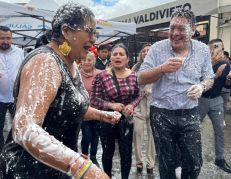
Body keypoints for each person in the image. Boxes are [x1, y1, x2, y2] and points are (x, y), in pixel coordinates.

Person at [0, 3, 121, 179]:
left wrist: (102, 115)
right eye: (89, 31)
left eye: (96, 33)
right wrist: (82, 168)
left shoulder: (71, 62)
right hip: (27, 169)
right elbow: (25, 128)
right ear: (66, 31)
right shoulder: (45, 61)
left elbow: (67, 106)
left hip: (54, 168)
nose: (94, 39)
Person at [138, 8, 214, 179]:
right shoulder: (157, 49)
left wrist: (202, 87)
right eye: (172, 28)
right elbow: (140, 78)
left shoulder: (202, 50)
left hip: (190, 113)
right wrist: (162, 69)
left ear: (193, 30)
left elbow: (209, 77)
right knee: (167, 163)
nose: (174, 33)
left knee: (194, 162)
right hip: (161, 114)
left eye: (181, 28)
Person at [91, 43, 141, 179]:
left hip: (126, 120)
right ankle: (107, 176)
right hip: (107, 119)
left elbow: (138, 95)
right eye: (115, 54)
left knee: (126, 152)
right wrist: (110, 105)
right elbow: (94, 99)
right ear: (110, 57)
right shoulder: (101, 76)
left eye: (121, 54)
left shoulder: (134, 76)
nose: (118, 57)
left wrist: (132, 105)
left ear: (127, 59)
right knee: (108, 152)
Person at [197, 38, 231, 173]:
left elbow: (225, 85)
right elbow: (198, 80)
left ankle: (220, 158)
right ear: (209, 50)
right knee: (193, 129)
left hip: (217, 99)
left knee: (219, 130)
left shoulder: (225, 64)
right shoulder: (201, 62)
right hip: (202, 99)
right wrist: (215, 73)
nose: (219, 51)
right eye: (215, 48)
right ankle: (187, 157)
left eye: (221, 48)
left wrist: (228, 79)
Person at [132, 44, 156, 173]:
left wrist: (151, 90)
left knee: (152, 136)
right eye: (144, 51)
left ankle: (150, 162)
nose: (146, 53)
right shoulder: (136, 68)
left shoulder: (158, 67)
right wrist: (139, 91)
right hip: (139, 105)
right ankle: (139, 161)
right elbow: (131, 86)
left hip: (153, 105)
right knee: (137, 133)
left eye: (149, 50)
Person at [0, 26, 24, 151]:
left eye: (8, 38)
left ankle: (16, 150)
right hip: (0, 98)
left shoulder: (19, 52)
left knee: (19, 124)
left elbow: (24, 71)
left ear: (12, 38)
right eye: (2, 38)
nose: (5, 41)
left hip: (16, 97)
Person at [80, 51, 101, 167]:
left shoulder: (100, 74)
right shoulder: (76, 74)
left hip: (97, 111)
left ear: (94, 61)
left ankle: (93, 156)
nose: (87, 62)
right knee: (87, 135)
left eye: (90, 60)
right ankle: (84, 156)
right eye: (84, 60)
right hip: (84, 112)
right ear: (81, 61)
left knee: (95, 136)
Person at [221, 50, 231, 126]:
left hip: (226, 89)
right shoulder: (220, 64)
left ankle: (223, 119)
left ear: (227, 57)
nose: (222, 58)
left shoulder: (229, 66)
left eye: (224, 57)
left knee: (223, 105)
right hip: (219, 88)